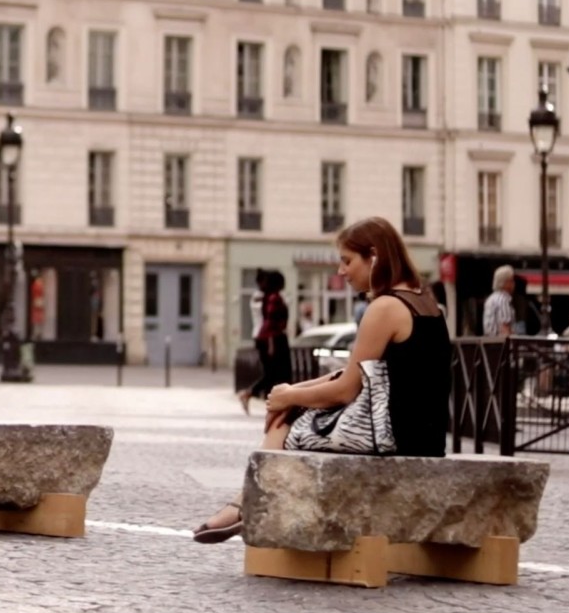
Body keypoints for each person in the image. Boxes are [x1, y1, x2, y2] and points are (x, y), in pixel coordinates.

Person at [193, 217, 450, 544]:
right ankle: (246, 505)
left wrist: (288, 401)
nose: (342, 272)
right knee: (293, 408)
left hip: (394, 437)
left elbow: (345, 390)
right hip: (425, 436)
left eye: (347, 261)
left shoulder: (385, 307)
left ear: (374, 256)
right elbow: (353, 372)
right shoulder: (424, 300)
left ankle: (243, 505)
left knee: (284, 423)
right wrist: (292, 391)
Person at [239, 271, 290, 415]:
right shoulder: (274, 298)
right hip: (273, 339)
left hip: (269, 338)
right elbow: (271, 323)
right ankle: (275, 405)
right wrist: (271, 344)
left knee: (272, 374)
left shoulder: (269, 297)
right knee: (278, 374)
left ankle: (267, 402)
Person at [482, 265, 515, 336]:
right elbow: (505, 327)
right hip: (499, 343)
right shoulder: (504, 300)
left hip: (488, 342)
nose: (514, 284)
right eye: (511, 281)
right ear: (505, 283)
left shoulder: (491, 298)